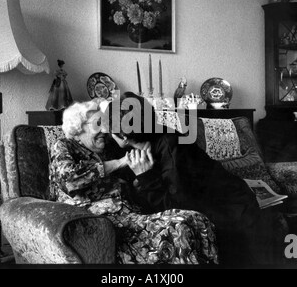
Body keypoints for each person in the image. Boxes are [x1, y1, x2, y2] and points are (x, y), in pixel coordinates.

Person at [106, 91, 284, 266]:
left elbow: (177, 210)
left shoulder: (171, 147)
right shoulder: (149, 139)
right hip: (228, 208)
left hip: (233, 219)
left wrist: (146, 176)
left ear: (122, 136)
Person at [49, 100, 219, 264]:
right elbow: (69, 180)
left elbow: (132, 175)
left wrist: (143, 171)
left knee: (197, 219)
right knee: (179, 225)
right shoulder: (64, 146)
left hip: (133, 216)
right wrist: (120, 162)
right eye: (97, 124)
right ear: (78, 128)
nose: (105, 129)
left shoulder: (107, 150)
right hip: (104, 225)